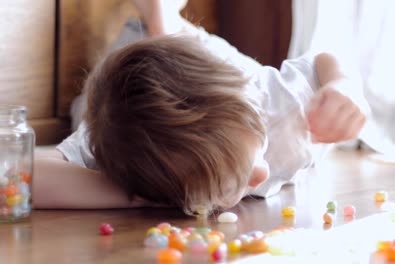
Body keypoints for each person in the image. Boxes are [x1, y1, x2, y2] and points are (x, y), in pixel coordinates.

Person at [33, 1, 366, 215]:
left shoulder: (278, 103)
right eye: (224, 184)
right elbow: (25, 176)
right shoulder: (126, 150)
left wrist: (342, 86)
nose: (261, 173)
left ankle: (160, 14)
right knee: (90, 108)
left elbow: (325, 59)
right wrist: (132, 194)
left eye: (257, 146)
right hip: (126, 87)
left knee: (178, 44)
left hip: (223, 67)